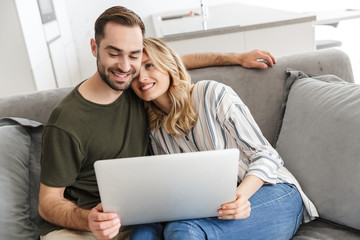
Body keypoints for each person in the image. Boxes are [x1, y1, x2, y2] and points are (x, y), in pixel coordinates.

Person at [38, 6, 278, 240]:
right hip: (87, 223)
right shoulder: (69, 120)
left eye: (134, 55)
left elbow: (171, 62)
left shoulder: (137, 84)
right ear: (94, 48)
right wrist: (88, 218)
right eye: (113, 53)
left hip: (139, 216)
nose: (125, 66)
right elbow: (47, 203)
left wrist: (236, 57)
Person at [129, 38, 319, 240]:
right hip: (214, 203)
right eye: (134, 73)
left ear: (168, 65)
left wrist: (241, 196)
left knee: (183, 230)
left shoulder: (210, 93)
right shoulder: (155, 130)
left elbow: (267, 154)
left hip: (271, 191)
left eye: (149, 65)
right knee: (144, 229)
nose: (142, 77)